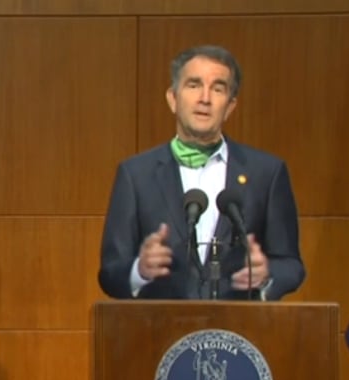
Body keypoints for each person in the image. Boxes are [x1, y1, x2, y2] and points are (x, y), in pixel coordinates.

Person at [98, 45, 305, 301]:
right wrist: (139, 270)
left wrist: (266, 274)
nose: (205, 98)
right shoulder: (135, 175)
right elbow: (110, 272)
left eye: (218, 89)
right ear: (173, 99)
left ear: (230, 106)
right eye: (194, 85)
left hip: (238, 334)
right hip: (160, 333)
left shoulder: (267, 173)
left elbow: (291, 265)